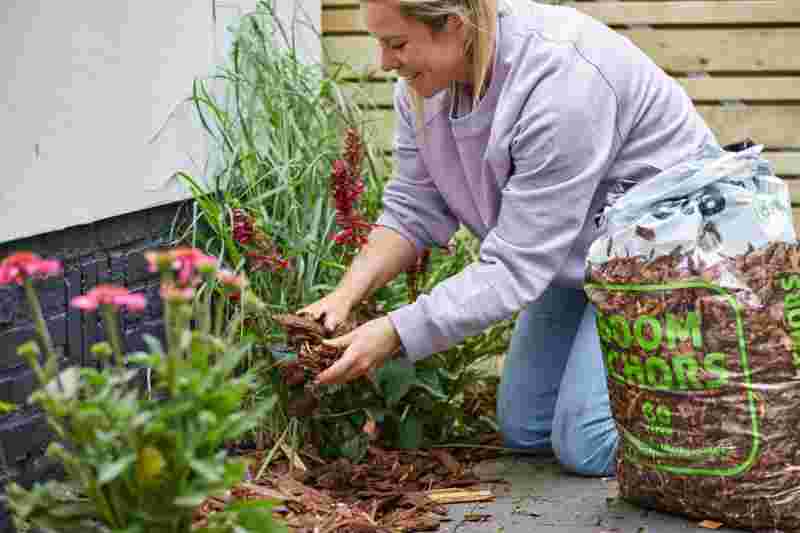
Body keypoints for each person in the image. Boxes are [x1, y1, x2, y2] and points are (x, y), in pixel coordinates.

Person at [300, 0, 717, 476]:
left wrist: (396, 332)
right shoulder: (423, 86)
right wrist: (343, 296)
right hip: (582, 253)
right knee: (526, 428)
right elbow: (413, 208)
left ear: (455, 27)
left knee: (586, 443)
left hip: (668, 253)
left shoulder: (560, 83)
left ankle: (740, 423)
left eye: (396, 44)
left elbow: (516, 267)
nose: (385, 62)